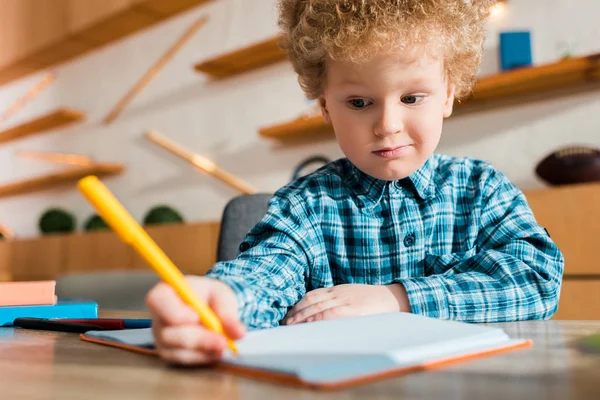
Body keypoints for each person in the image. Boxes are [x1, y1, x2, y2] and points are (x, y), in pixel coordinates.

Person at [146, 0, 564, 365]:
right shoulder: (304, 206)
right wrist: (225, 299)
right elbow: (266, 272)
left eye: (412, 98)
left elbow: (538, 280)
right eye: (359, 103)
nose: (387, 126)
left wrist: (394, 299)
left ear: (449, 94)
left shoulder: (483, 190)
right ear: (326, 106)